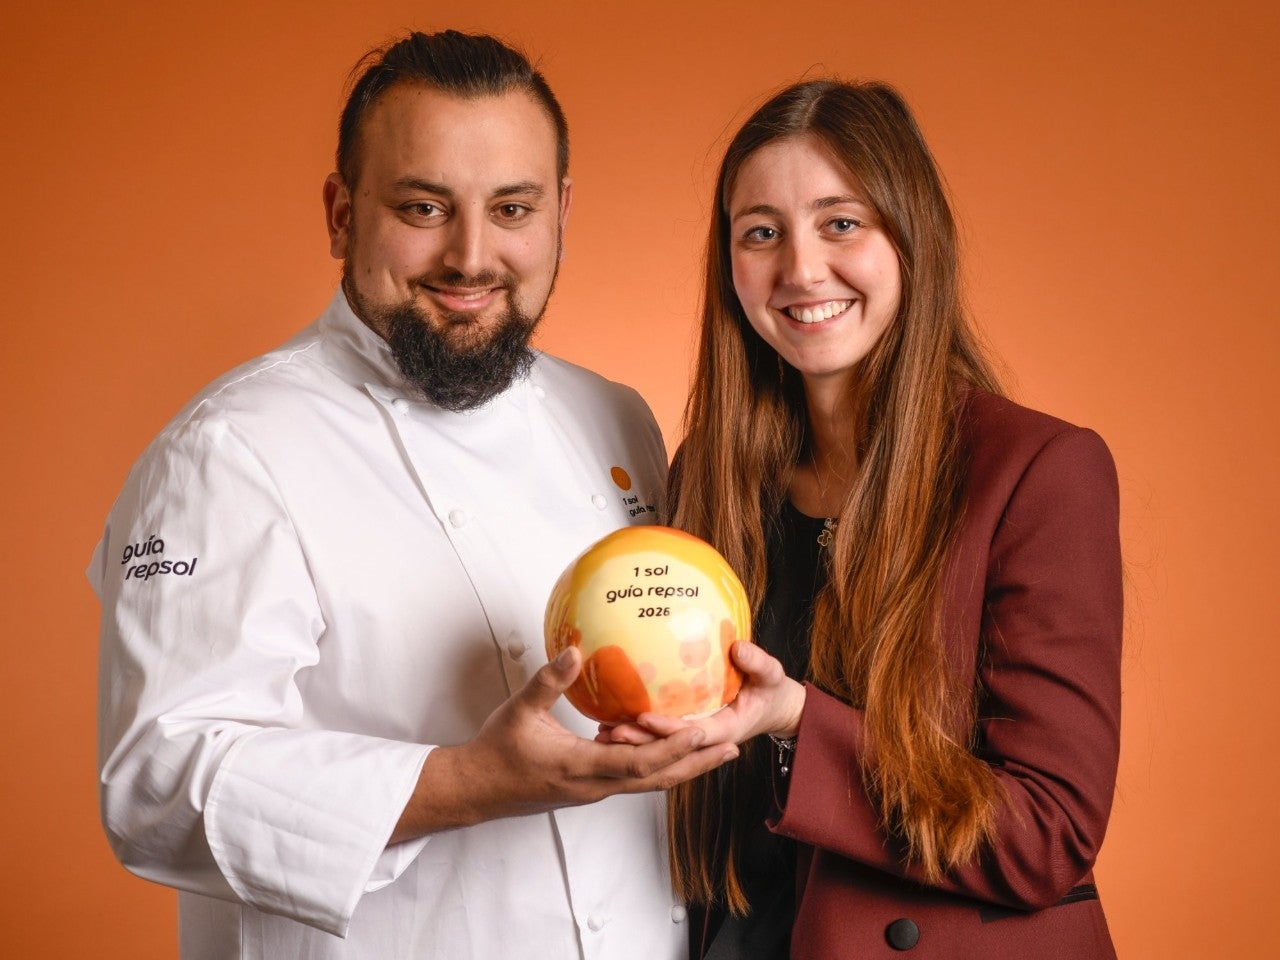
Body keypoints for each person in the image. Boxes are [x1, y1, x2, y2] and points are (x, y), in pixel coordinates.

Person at [91, 30, 734, 960]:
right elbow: (152, 788)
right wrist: (472, 780)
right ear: (342, 215)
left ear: (561, 213)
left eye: (512, 207)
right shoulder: (227, 453)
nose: (471, 257)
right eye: (425, 206)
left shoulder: (614, 418)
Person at [605, 80, 1123, 958]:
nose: (802, 270)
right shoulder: (715, 475)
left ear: (911, 239)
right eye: (760, 232)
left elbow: (1049, 831)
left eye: (841, 222)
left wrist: (799, 719)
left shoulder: (1039, 472)